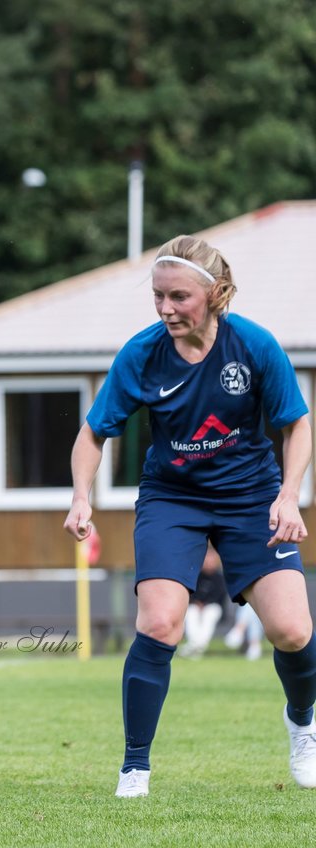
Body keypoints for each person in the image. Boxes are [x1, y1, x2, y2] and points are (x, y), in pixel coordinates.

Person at [64, 235, 315, 799]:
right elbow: (92, 433)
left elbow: (296, 424)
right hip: (171, 499)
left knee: (293, 630)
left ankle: (303, 722)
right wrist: (81, 495)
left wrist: (289, 494)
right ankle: (135, 767)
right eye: (158, 296)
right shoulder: (141, 353)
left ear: (216, 293)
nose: (165, 309)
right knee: (159, 624)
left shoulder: (253, 346)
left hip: (252, 497)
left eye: (178, 297)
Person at [180, 546, 227, 659]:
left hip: (213, 607)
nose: (209, 562)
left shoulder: (220, 577)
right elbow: (190, 593)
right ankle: (196, 646)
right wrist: (197, 602)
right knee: (191, 612)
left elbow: (220, 596)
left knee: (210, 614)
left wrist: (206, 604)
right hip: (195, 605)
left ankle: (195, 646)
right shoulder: (194, 575)